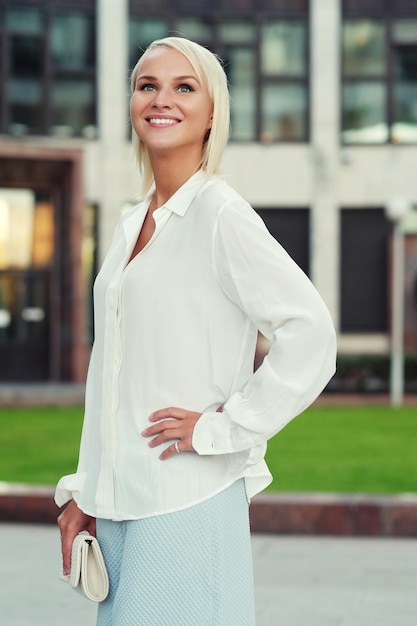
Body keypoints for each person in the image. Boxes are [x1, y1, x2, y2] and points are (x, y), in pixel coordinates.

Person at [56, 36, 337, 625]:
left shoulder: (219, 213)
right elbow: (112, 372)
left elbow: (309, 333)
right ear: (132, 103)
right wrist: (86, 489)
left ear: (213, 113)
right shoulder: (132, 223)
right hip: (120, 506)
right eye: (147, 86)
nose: (163, 99)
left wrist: (222, 428)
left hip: (187, 501)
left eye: (185, 87)